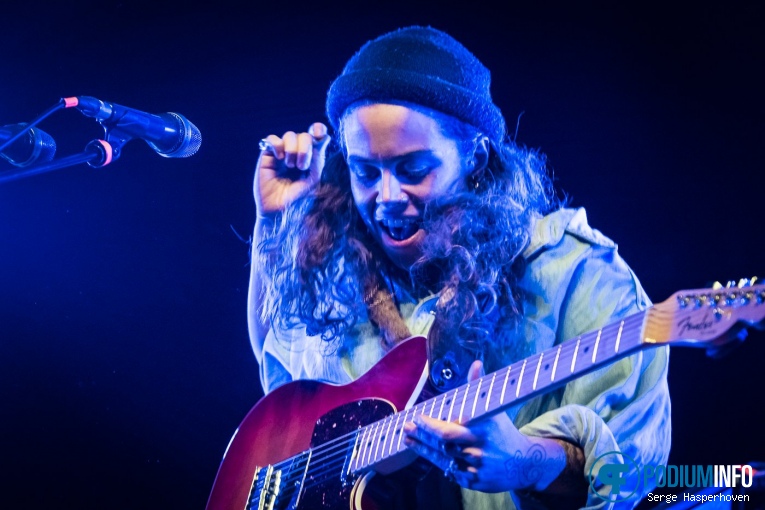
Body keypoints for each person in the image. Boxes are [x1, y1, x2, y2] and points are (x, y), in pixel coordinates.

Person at [247, 26, 671, 509]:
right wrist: (273, 224)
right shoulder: (344, 270)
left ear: (475, 156)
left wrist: (527, 463)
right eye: (366, 172)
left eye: (413, 170)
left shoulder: (576, 274)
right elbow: (278, 381)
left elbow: (636, 473)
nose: (385, 198)